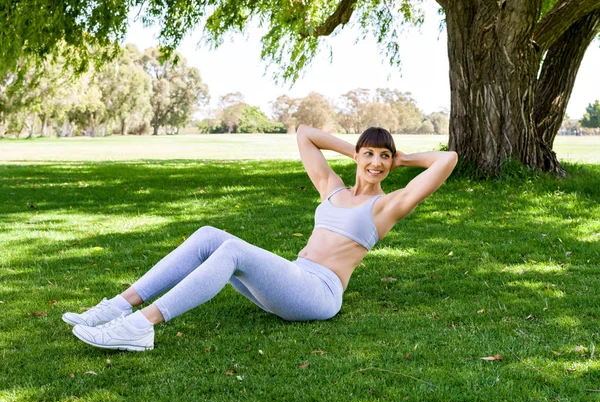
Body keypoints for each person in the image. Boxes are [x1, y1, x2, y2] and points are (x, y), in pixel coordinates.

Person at [62, 125, 457, 351]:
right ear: (357, 157)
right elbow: (305, 134)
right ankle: (117, 307)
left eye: (383, 157)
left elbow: (447, 159)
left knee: (232, 249)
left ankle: (141, 326)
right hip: (294, 276)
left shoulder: (387, 206)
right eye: (369, 155)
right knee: (207, 235)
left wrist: (400, 155)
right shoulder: (333, 189)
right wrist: (359, 149)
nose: (376, 163)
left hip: (319, 293)